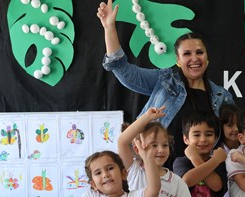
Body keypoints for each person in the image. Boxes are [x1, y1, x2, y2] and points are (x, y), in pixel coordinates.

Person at [97, 0, 234, 168]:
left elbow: (232, 139)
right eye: (187, 54)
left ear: (207, 58)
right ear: (178, 60)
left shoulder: (222, 96)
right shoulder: (165, 80)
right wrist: (109, 27)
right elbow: (123, 70)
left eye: (199, 52)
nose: (194, 58)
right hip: (158, 172)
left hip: (204, 176)